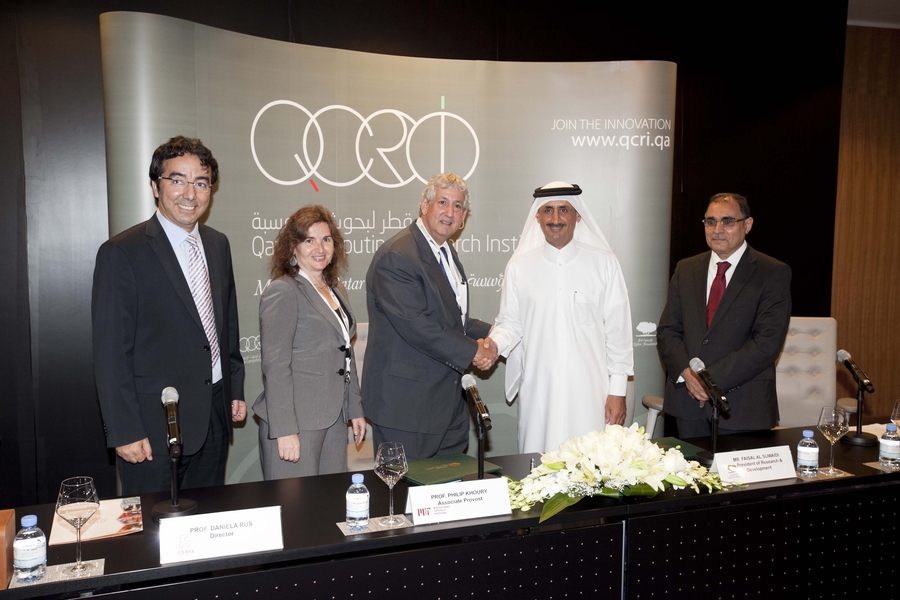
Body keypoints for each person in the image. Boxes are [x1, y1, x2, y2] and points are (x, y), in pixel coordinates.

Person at [92, 136, 245, 495]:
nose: (190, 193)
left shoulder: (217, 244)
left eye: (201, 182)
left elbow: (227, 325)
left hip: (214, 417)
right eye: (177, 180)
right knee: (152, 537)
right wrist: (124, 430)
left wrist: (234, 386)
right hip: (153, 429)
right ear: (155, 186)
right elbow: (110, 352)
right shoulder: (122, 253)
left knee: (207, 526)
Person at [488, 182, 635, 454]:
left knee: (593, 471)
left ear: (577, 215)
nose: (555, 219)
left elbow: (619, 331)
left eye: (563, 210)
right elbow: (510, 323)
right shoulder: (519, 266)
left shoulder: (604, 263)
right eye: (548, 210)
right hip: (539, 391)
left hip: (592, 393)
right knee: (539, 469)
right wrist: (493, 345)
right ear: (538, 216)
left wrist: (617, 391)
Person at [362, 173, 496, 462]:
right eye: (443, 202)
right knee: (405, 495)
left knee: (446, 494)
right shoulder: (397, 256)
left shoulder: (445, 251)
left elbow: (452, 319)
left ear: (464, 216)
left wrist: (494, 333)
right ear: (424, 205)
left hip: (445, 405)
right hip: (406, 407)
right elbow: (417, 325)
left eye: (458, 206)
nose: (450, 212)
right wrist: (475, 350)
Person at [657, 193, 792, 438]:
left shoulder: (772, 272)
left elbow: (766, 343)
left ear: (747, 225)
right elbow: (668, 330)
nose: (718, 229)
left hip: (742, 407)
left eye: (728, 221)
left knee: (739, 479)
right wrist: (688, 375)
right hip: (689, 405)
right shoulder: (686, 269)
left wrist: (709, 381)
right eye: (710, 222)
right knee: (691, 476)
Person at [252, 206, 366, 479]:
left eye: (326, 239)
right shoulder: (283, 291)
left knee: (329, 508)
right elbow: (276, 367)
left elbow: (345, 355)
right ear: (293, 247)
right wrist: (284, 430)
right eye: (309, 240)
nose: (320, 248)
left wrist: (355, 409)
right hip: (296, 425)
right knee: (295, 512)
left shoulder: (336, 289)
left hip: (333, 419)